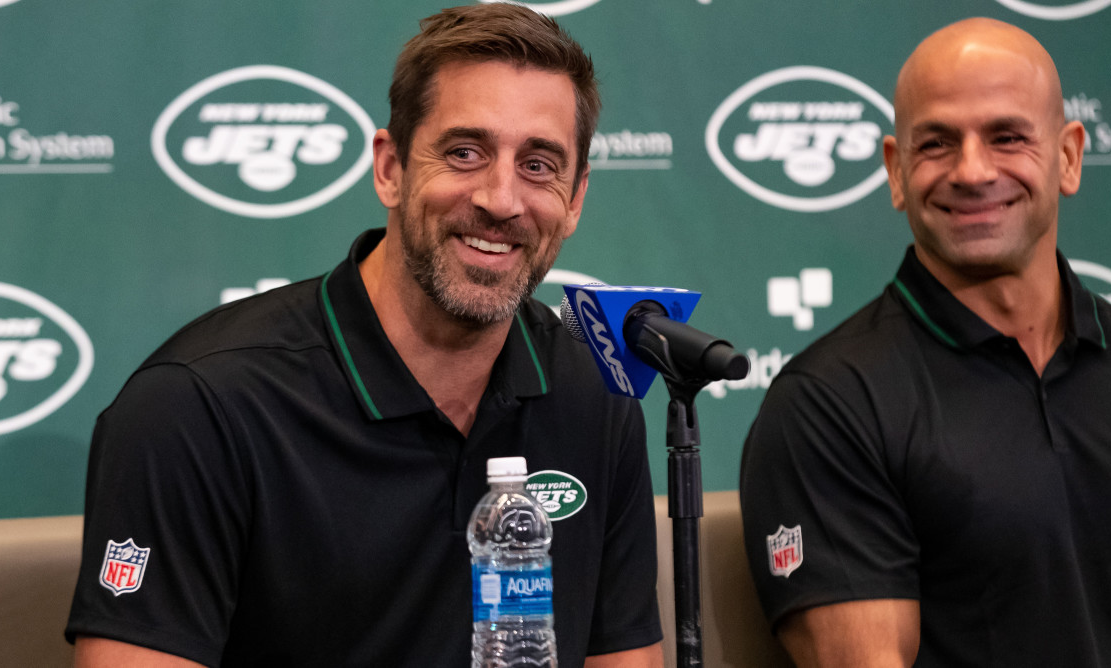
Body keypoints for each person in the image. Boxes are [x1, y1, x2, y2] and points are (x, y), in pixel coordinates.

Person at [65, 5, 664, 666]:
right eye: (465, 152)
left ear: (575, 198)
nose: (501, 199)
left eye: (539, 165)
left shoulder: (595, 396)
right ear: (391, 168)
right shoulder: (198, 408)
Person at [739, 17, 1111, 668]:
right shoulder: (829, 405)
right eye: (937, 144)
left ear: (1068, 156)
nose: (973, 171)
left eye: (1006, 137)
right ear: (896, 172)